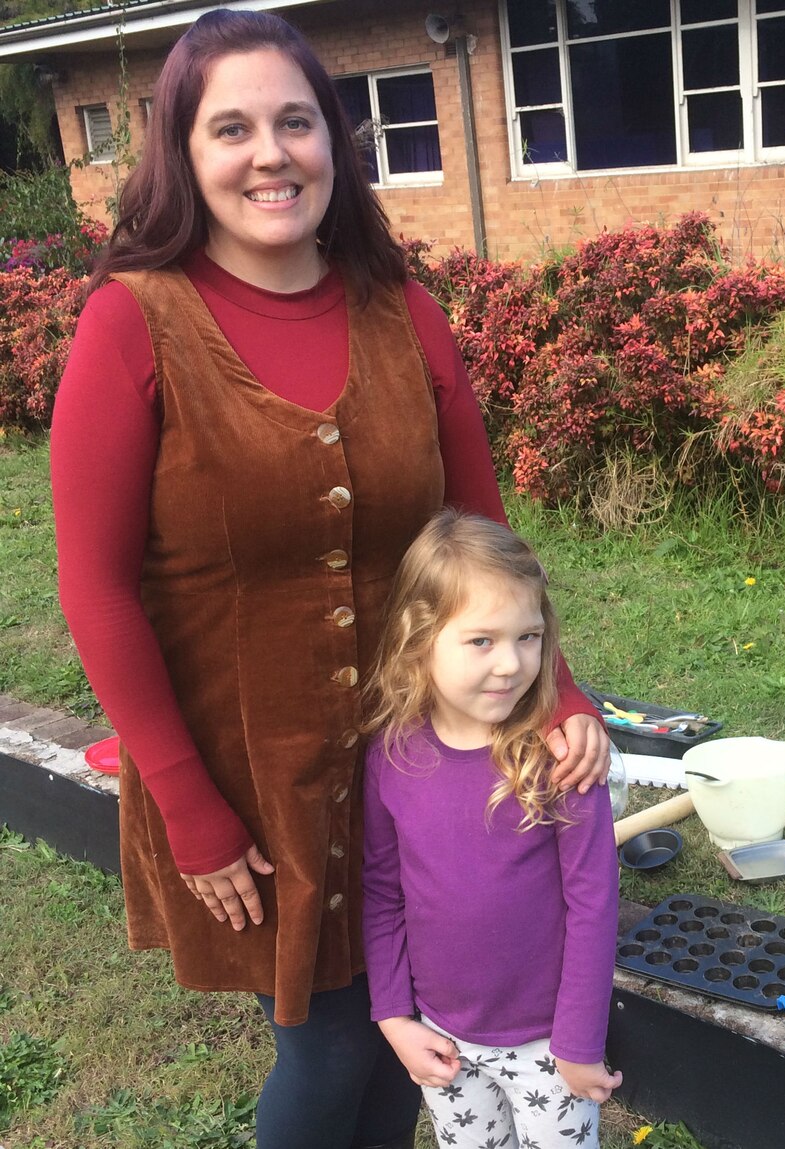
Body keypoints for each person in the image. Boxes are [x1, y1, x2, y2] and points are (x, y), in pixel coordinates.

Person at [50, 10, 610, 1149]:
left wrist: (561, 694)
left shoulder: (402, 311)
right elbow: (95, 589)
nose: (270, 154)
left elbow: (481, 530)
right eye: (232, 128)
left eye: (295, 121)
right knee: (332, 1039)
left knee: (413, 1047)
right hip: (248, 775)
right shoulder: (130, 326)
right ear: (183, 152)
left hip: (432, 752)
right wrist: (190, 810)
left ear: (332, 142)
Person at [362, 509, 622, 1149]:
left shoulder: (558, 759)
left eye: (528, 637)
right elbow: (381, 893)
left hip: (547, 1046)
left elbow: (594, 901)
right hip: (444, 1039)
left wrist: (579, 1041)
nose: (510, 664)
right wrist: (395, 1017)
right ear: (418, 639)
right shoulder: (391, 756)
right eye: (482, 641)